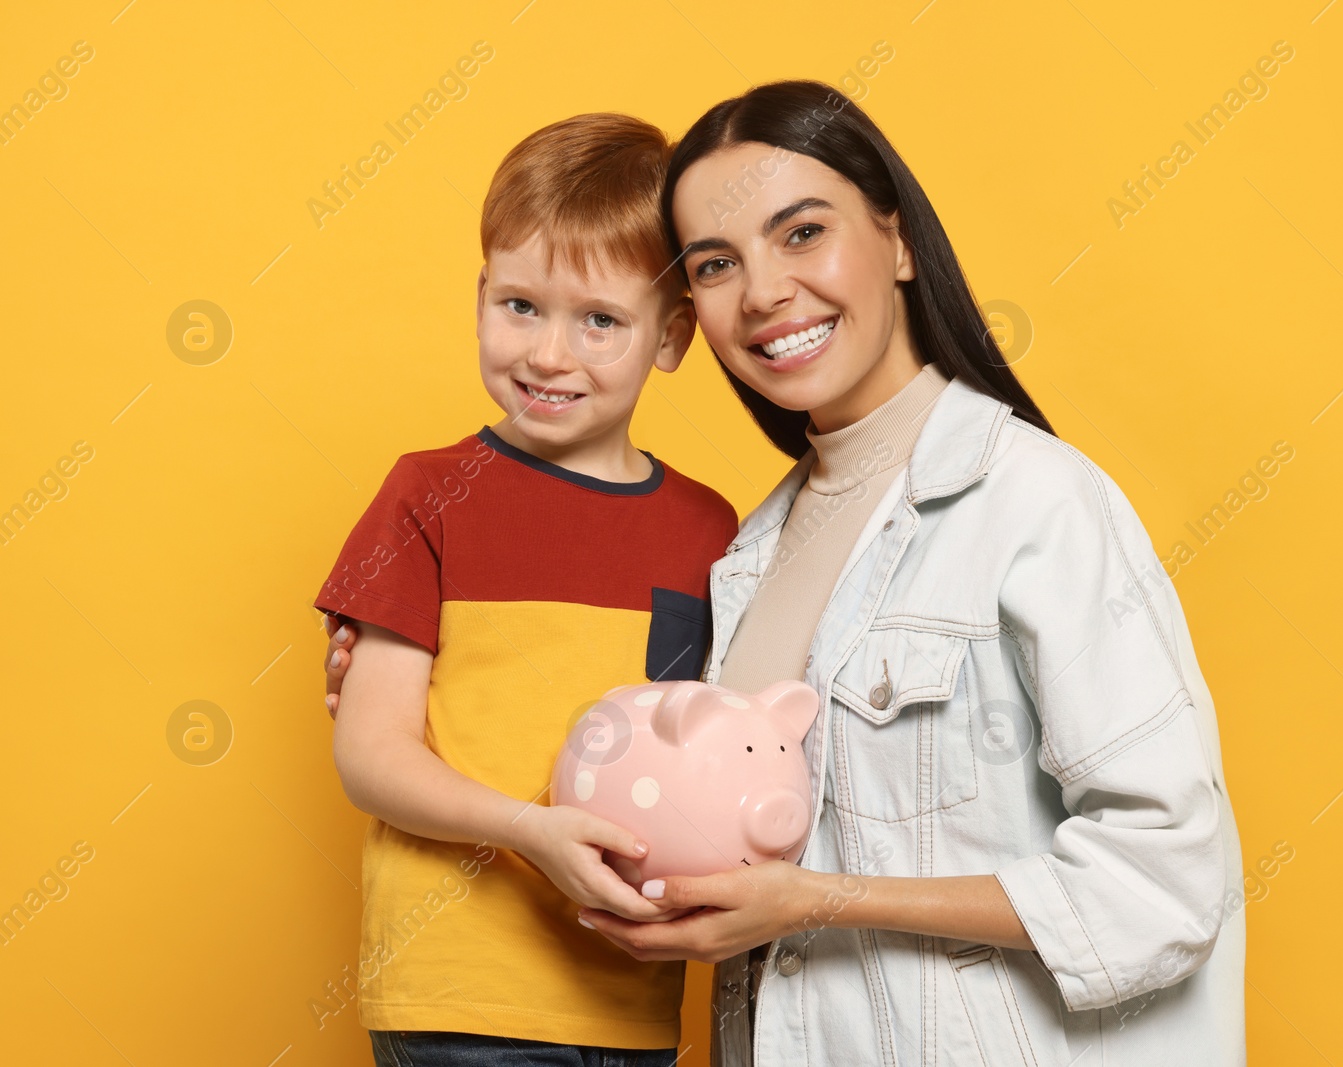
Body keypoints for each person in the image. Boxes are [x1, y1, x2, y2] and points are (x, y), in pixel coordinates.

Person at [327, 82, 1246, 1066]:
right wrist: (416, 666)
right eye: (719, 262)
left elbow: (1166, 879)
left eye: (801, 233)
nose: (762, 291)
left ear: (896, 241)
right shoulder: (744, 551)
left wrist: (813, 901)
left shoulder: (1040, 504)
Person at [314, 113, 738, 1067]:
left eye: (600, 320)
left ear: (672, 337)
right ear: (479, 296)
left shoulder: (715, 532)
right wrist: (528, 830)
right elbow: (371, 753)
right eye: (520, 305)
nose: (549, 354)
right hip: (460, 991)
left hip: (631, 993)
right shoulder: (426, 495)